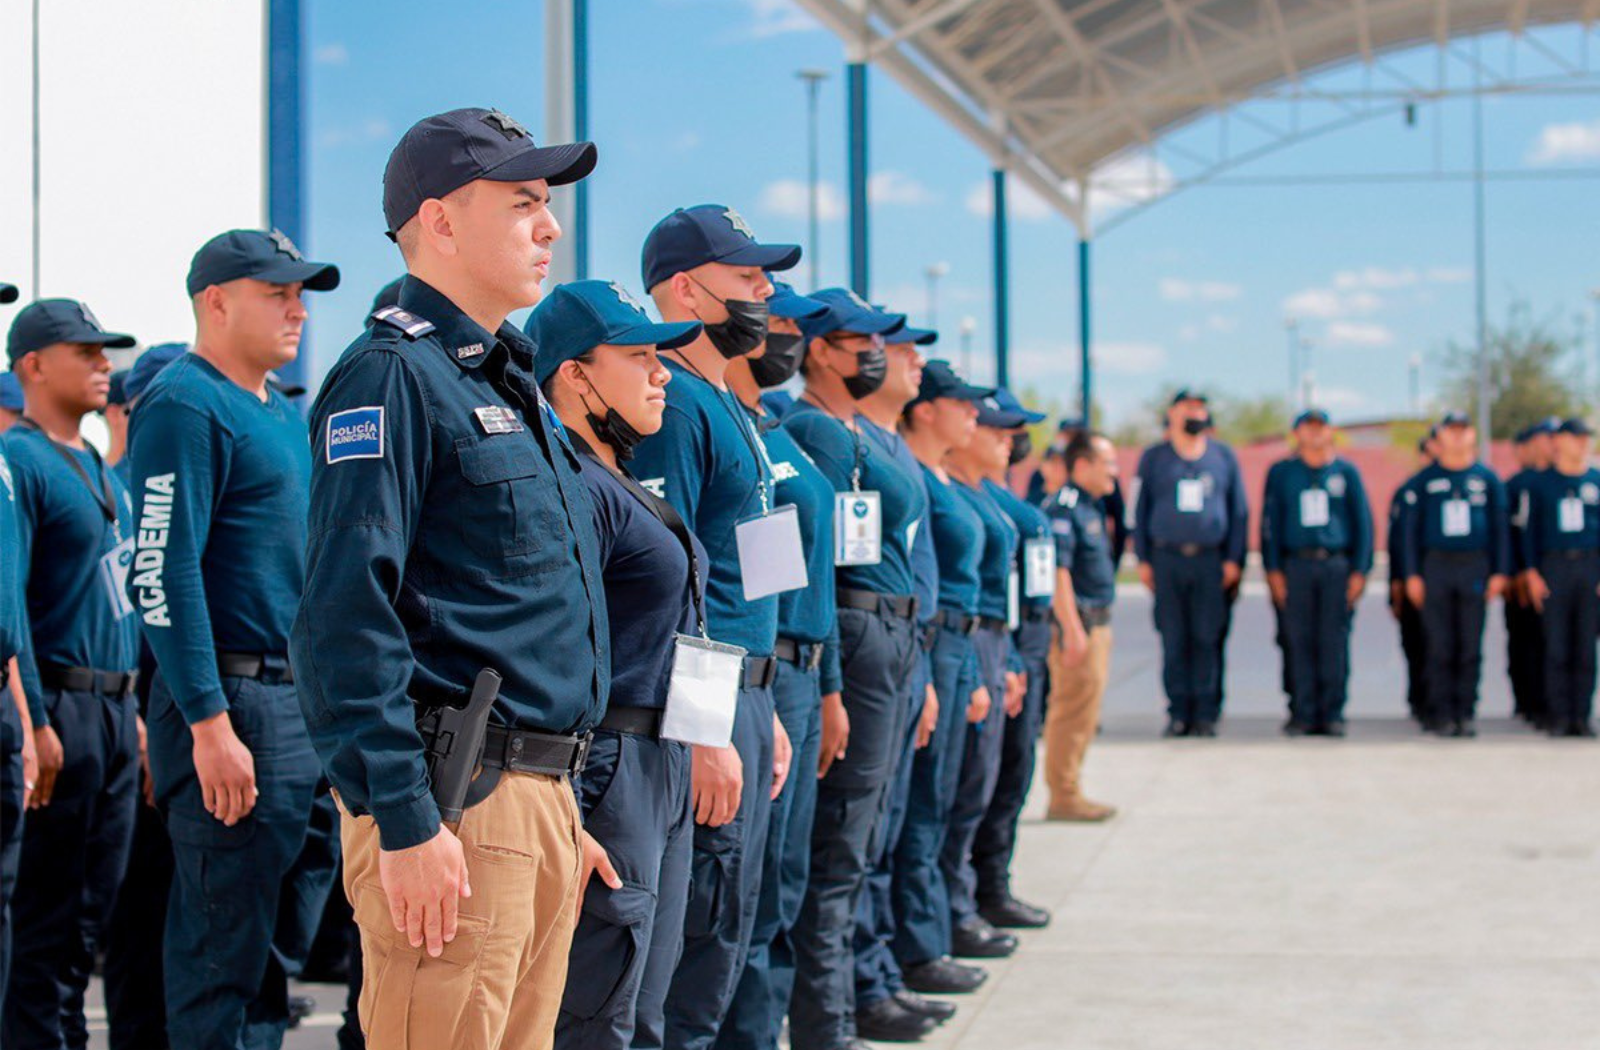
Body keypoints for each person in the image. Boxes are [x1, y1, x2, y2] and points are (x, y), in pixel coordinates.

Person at [290, 107, 609, 1050]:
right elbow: (345, 616)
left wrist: (553, 807)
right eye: (524, 203)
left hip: (530, 804)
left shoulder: (499, 379)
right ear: (440, 220)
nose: (550, 227)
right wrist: (403, 819)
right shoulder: (392, 378)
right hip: (453, 810)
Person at [125, 229, 342, 1049]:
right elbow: (163, 571)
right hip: (236, 704)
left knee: (276, 954)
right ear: (216, 301)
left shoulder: (279, 412)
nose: (298, 309)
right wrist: (209, 722)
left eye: (302, 294)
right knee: (224, 958)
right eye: (276, 292)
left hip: (300, 706)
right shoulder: (185, 404)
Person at [630, 203, 798, 1050]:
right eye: (747, 277)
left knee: (736, 929)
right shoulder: (678, 407)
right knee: (698, 941)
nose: (765, 292)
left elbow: (763, 572)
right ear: (686, 290)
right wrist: (705, 730)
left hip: (754, 699)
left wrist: (776, 700)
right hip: (710, 707)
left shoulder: (733, 406)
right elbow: (668, 585)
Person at [522, 279, 707, 1049]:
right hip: (610, 769)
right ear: (576, 374)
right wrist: (562, 804)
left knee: (644, 1011)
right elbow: (548, 648)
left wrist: (705, 735)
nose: (662, 371)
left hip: (660, 759)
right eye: (638, 356)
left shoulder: (620, 479)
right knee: (599, 1013)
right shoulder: (570, 486)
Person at [782, 289, 933, 1050]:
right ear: (819, 351)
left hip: (891, 640)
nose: (874, 353)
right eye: (857, 341)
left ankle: (854, 999)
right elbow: (832, 567)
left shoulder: (853, 431)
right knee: (842, 846)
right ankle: (828, 1022)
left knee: (869, 836)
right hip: (860, 633)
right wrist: (838, 680)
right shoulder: (815, 430)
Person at [1, 298, 141, 1050]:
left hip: (116, 713)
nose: (101, 365)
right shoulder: (19, 461)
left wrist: (139, 718)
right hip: (60, 703)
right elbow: (10, 604)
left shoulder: (95, 465)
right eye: (84, 351)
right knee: (46, 921)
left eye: (105, 351)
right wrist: (33, 723)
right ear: (34, 365)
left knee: (91, 918)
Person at [716, 278, 835, 1050]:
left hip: (787, 670)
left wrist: (814, 683)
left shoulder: (775, 429)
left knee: (781, 886)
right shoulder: (723, 422)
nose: (787, 338)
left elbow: (782, 579)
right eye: (780, 322)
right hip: (752, 672)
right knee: (743, 898)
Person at [850, 322, 961, 1037]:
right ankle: (863, 984)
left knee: (889, 828)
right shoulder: (842, 440)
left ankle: (881, 969)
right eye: (900, 349)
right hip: (864, 651)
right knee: (855, 840)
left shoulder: (889, 450)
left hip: (906, 647)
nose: (911, 361)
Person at [887, 360, 995, 1004]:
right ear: (927, 408)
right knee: (919, 808)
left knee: (945, 800)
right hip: (925, 645)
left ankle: (930, 936)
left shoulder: (936, 477)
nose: (975, 417)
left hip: (952, 645)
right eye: (964, 404)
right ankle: (919, 948)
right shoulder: (913, 475)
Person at [101, 338, 188, 1050]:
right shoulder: (124, 489)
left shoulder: (178, 482)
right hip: (134, 722)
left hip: (175, 721)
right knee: (141, 915)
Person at [941, 396, 1021, 962]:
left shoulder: (990, 497)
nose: (1004, 438)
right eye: (994, 427)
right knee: (954, 794)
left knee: (987, 785)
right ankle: (951, 915)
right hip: (963, 640)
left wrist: (1010, 658)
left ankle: (969, 901)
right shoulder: (949, 490)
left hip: (994, 638)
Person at [971, 388, 1053, 930]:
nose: (1014, 440)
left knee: (1017, 773)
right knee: (993, 778)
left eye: (1018, 430)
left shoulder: (1015, 506)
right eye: (1003, 428)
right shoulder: (994, 509)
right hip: (1008, 650)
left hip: (1029, 650)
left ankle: (997, 881)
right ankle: (985, 889)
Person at [1133, 390, 1248, 737]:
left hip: (1209, 560)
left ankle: (1206, 711)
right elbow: (1138, 510)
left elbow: (1239, 511)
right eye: (1188, 407)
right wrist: (1143, 558)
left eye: (1201, 407)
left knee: (1206, 635)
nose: (1195, 413)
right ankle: (1178, 711)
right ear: (1172, 414)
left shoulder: (1222, 456)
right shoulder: (1154, 458)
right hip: (1167, 559)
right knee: (1174, 636)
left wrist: (1233, 558)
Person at [1260, 409, 1374, 737]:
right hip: (1296, 565)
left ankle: (1332, 712)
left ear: (1330, 432)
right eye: (1307, 428)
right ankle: (1303, 711)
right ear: (1296, 433)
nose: (1314, 434)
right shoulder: (1283, 473)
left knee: (1333, 641)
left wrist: (1359, 571)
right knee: (1298, 640)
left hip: (1335, 566)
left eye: (1320, 427)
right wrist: (1273, 570)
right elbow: (1270, 524)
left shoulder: (1345, 472)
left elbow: (1363, 523)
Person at [1401, 411, 1509, 737]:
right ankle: (1441, 712)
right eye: (1452, 430)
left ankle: (1465, 711)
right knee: (1439, 644)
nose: (1458, 437)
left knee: (1469, 644)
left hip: (1473, 565)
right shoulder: (1423, 481)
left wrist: (1500, 571)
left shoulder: (1486, 479)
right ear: (1440, 437)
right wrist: (1411, 574)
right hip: (1436, 566)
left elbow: (1501, 529)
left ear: (1473, 435)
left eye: (1464, 430)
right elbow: (1409, 531)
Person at [1042, 430, 1120, 821]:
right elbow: (1059, 572)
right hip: (1080, 627)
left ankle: (1071, 788)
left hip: (1097, 625)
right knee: (1071, 711)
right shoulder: (1065, 507)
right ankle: (1064, 794)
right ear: (1083, 464)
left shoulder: (1092, 506)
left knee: (1085, 712)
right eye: (1107, 462)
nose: (1114, 471)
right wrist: (1071, 629)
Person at [1519, 418, 1600, 737]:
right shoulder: (1541, 484)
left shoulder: (1596, 480)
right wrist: (1532, 573)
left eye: (1586, 438)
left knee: (1585, 646)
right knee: (1556, 645)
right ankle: (1558, 714)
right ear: (1559, 441)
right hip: (1554, 568)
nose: (1582, 443)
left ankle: (1581, 715)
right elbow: (1529, 532)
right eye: (1575, 437)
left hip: (1590, 568)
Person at [1505, 420, 1556, 727]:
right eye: (1544, 437)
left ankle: (1552, 704)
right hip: (1522, 578)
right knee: (1525, 641)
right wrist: (1516, 572)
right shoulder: (1515, 485)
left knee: (1555, 642)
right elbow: (1509, 533)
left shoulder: (1559, 481)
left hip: (1553, 577)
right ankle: (1527, 701)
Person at [1390, 430, 1436, 724]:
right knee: (1417, 643)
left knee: (1441, 645)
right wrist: (1399, 581)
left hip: (1443, 575)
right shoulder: (1410, 490)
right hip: (1413, 578)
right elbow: (1398, 540)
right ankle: (1419, 700)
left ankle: (1437, 704)